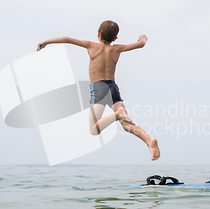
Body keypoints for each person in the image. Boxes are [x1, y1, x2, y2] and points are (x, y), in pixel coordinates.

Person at [36, 20, 160, 161]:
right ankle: (149, 141)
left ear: (98, 33)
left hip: (99, 88)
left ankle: (117, 115)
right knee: (127, 125)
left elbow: (66, 39)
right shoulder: (117, 48)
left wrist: (45, 42)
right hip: (113, 88)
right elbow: (141, 43)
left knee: (94, 129)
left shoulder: (91, 46)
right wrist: (143, 36)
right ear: (115, 38)